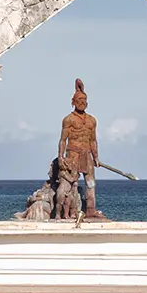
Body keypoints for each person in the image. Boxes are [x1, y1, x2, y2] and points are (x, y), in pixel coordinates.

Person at [57, 79, 103, 219]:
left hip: (87, 155)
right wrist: (60, 156)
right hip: (73, 154)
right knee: (71, 184)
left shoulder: (92, 120)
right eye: (79, 100)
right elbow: (63, 140)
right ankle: (70, 212)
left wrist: (96, 157)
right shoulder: (68, 119)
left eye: (84, 100)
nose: (82, 102)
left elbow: (93, 140)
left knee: (91, 183)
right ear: (73, 102)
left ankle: (90, 210)